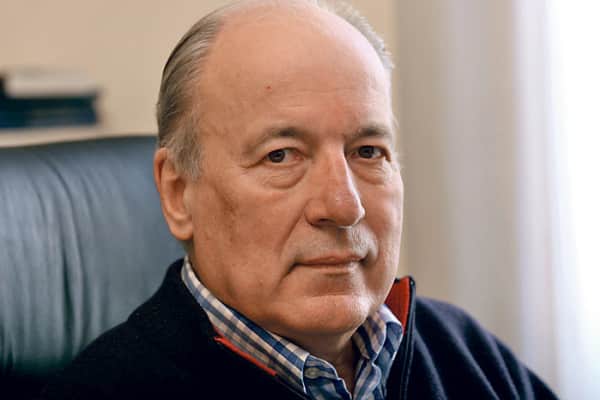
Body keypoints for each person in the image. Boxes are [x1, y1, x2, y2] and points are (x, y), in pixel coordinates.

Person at [41, 0, 558, 399]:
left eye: (368, 151)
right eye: (281, 156)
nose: (344, 206)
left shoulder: (463, 353)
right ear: (178, 194)